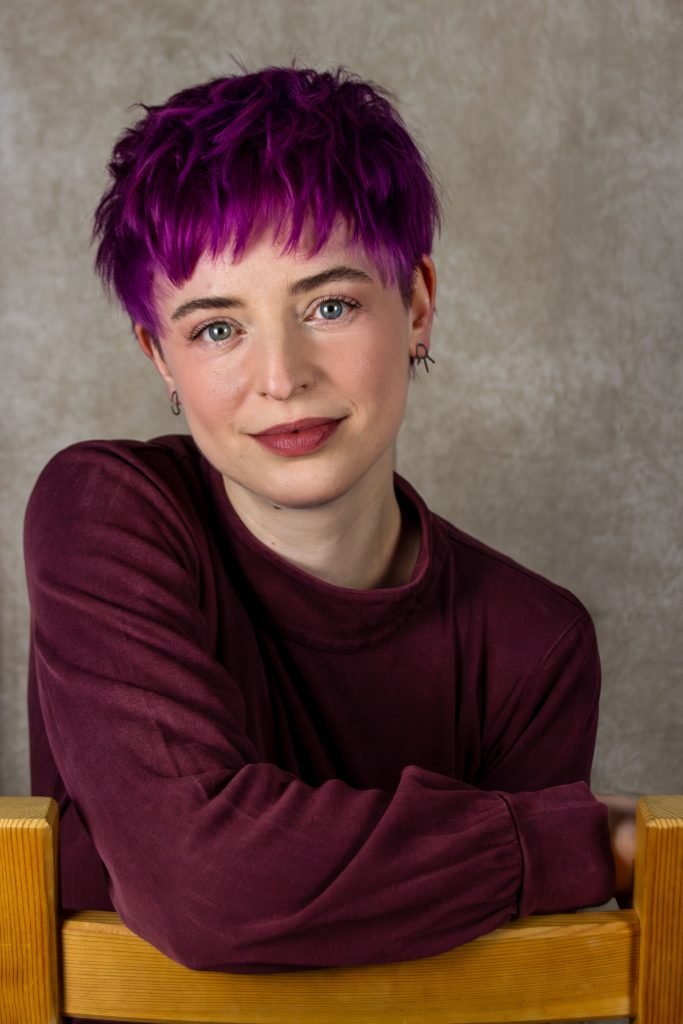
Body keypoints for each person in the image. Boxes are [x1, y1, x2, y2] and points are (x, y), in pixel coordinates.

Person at [25, 65, 636, 979]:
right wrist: (585, 841)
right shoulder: (104, 512)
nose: (282, 377)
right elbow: (206, 891)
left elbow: (499, 986)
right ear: (160, 356)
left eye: (330, 305)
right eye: (216, 329)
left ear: (418, 306)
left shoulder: (533, 645)